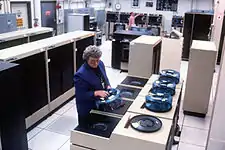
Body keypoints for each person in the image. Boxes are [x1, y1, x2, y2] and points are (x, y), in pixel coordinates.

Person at [74, 45, 111, 125]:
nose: (96, 63)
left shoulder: (100, 64)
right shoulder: (80, 74)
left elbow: (105, 77)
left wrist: (107, 85)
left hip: (100, 104)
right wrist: (96, 93)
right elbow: (81, 95)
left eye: (97, 60)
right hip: (87, 108)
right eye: (92, 61)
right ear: (86, 59)